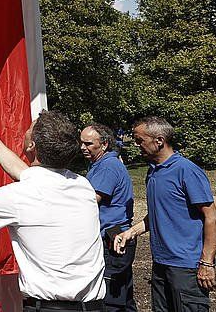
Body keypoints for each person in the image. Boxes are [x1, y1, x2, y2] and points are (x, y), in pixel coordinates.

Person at [0, 105, 105, 307]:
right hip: (94, 306)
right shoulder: (82, 185)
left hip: (50, 308)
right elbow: (23, 171)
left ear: (31, 145)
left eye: (28, 129)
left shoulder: (19, 196)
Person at [113, 116, 216, 312]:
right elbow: (158, 214)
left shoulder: (186, 170)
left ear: (159, 140)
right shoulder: (153, 171)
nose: (137, 146)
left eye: (139, 141)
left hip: (186, 266)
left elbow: (212, 217)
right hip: (160, 263)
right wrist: (131, 232)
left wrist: (206, 262)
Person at [80, 123, 136, 312]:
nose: (82, 147)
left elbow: (89, 201)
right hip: (115, 236)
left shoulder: (108, 166)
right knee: (124, 298)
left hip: (114, 238)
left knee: (112, 301)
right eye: (81, 143)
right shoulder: (100, 164)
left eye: (88, 143)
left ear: (103, 144)